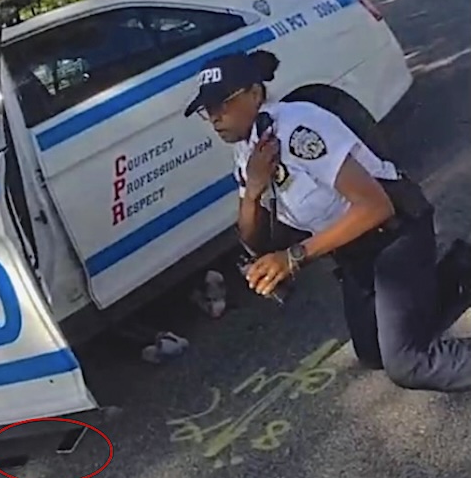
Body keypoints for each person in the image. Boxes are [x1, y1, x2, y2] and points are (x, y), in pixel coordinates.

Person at [183, 50, 471, 392]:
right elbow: (254, 240)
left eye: (223, 104)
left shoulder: (298, 128)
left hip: (395, 235)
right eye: (207, 110)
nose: (215, 116)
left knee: (408, 363)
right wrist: (254, 189)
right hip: (354, 251)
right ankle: (461, 268)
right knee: (372, 350)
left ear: (255, 94)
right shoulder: (248, 151)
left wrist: (294, 257)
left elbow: (376, 207)